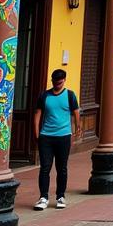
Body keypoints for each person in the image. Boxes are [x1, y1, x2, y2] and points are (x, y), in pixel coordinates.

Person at [33, 69, 80, 210]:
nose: (57, 84)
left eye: (59, 82)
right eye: (54, 82)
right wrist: (37, 133)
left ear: (64, 80)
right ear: (52, 80)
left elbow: (76, 113)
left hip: (63, 136)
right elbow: (37, 114)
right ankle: (43, 197)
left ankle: (60, 196)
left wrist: (77, 129)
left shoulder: (70, 95)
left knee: (62, 168)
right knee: (45, 168)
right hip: (46, 136)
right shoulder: (44, 96)